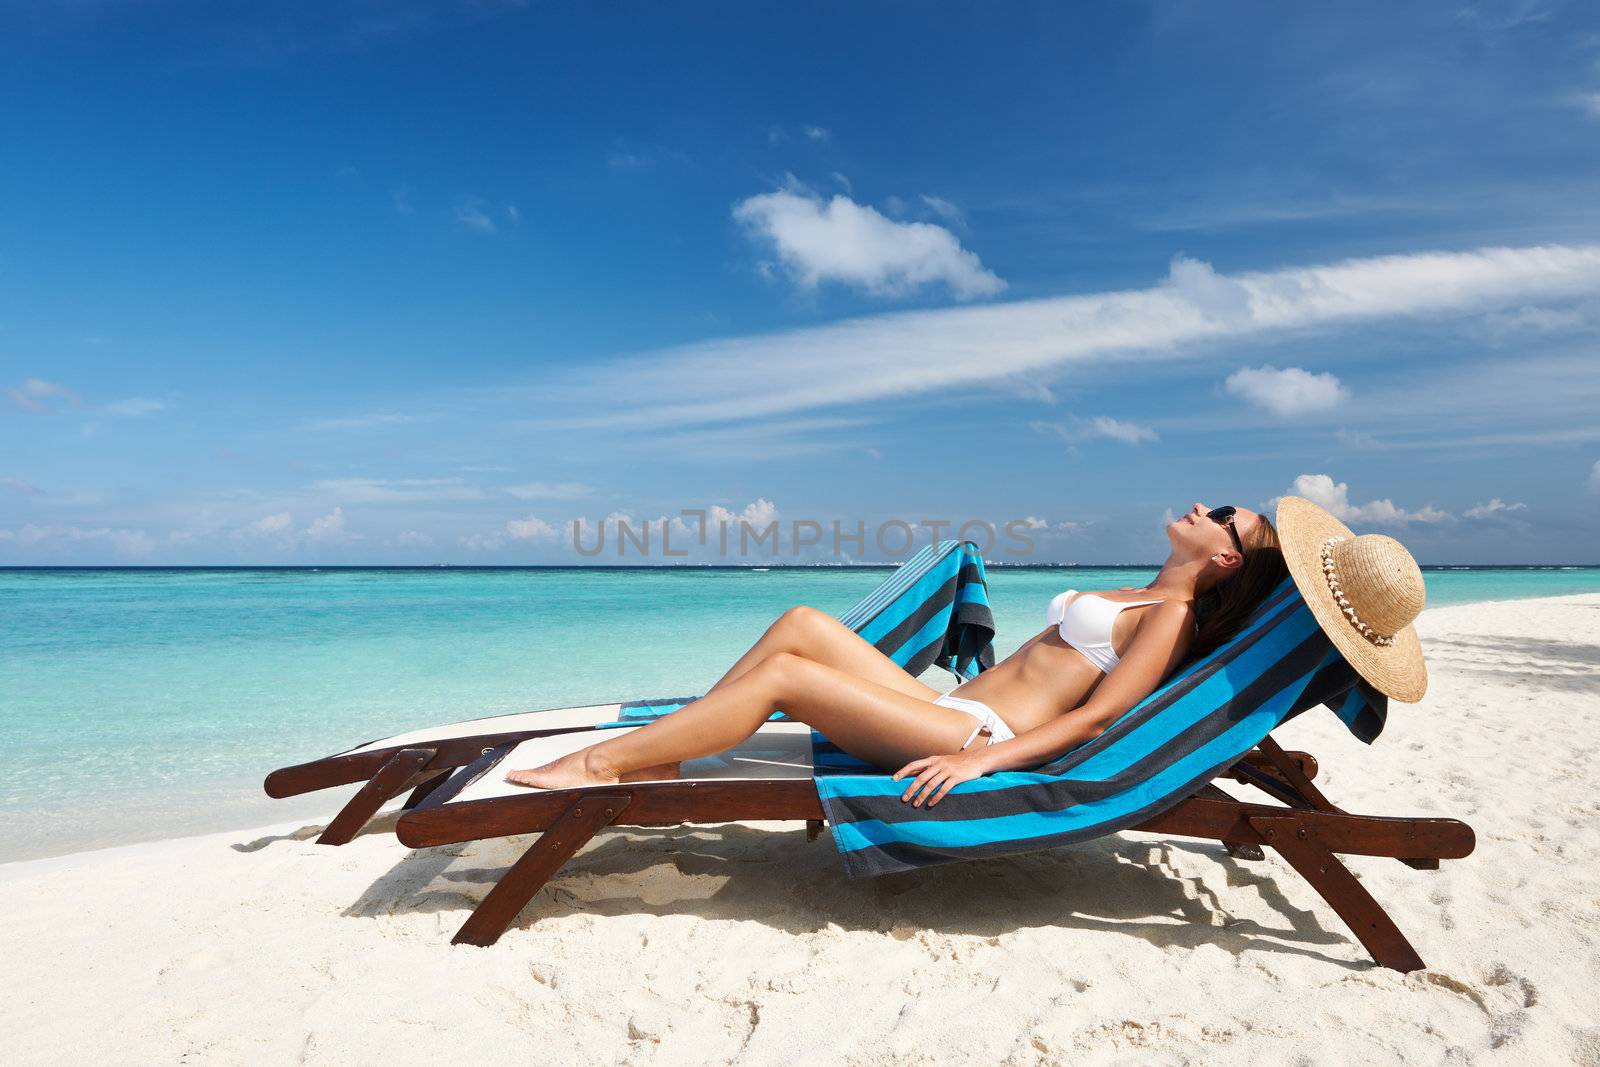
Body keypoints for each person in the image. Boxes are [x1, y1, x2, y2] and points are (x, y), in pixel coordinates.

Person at [507, 502, 1288, 806]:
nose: (1203, 507)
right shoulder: (1143, 592)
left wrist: (986, 762)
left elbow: (1101, 719)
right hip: (951, 708)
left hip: (969, 734)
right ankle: (674, 750)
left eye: (1222, 517)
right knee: (803, 622)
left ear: (1224, 559)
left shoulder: (1174, 617)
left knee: (787, 677)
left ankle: (604, 764)